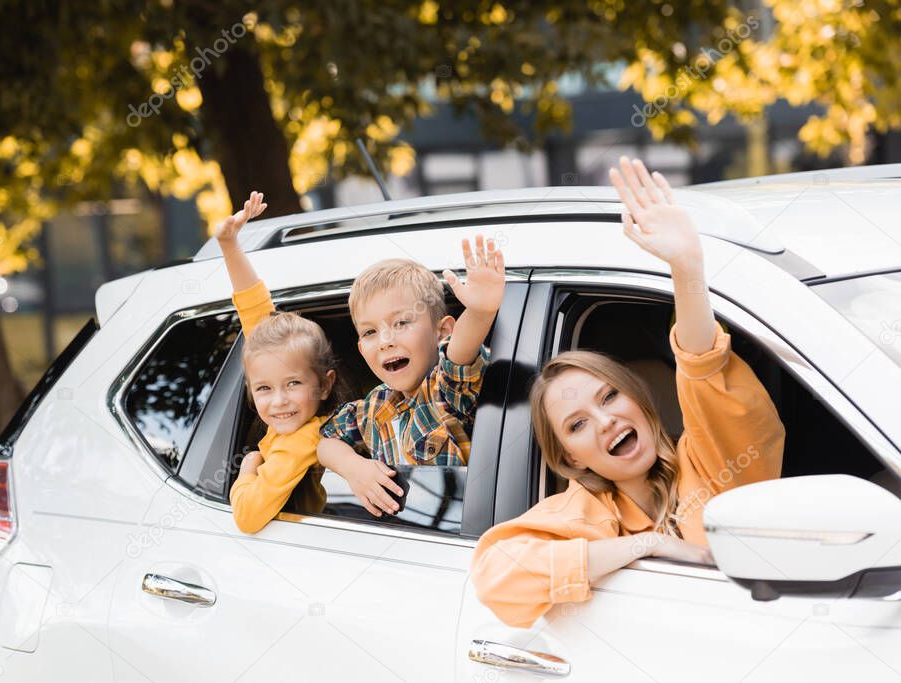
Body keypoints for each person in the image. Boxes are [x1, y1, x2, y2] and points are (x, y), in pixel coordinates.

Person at [470, 157, 786, 628]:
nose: (605, 422)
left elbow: (704, 371)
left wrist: (686, 266)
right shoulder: (584, 511)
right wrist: (649, 544)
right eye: (577, 425)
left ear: (639, 401)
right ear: (571, 458)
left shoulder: (710, 461)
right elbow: (496, 577)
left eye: (609, 398)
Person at [317, 237, 505, 517]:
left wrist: (480, 312)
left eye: (401, 323)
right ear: (361, 349)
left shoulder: (445, 389)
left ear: (442, 332)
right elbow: (326, 443)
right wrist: (354, 468)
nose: (385, 341)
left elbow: (461, 353)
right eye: (370, 332)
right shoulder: (373, 407)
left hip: (456, 530)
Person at [220, 191, 342, 534]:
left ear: (325, 383)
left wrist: (247, 469)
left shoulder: (297, 442)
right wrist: (229, 245)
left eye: (293, 383)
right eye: (264, 388)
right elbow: (255, 311)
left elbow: (246, 517)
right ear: (251, 387)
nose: (279, 400)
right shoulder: (299, 418)